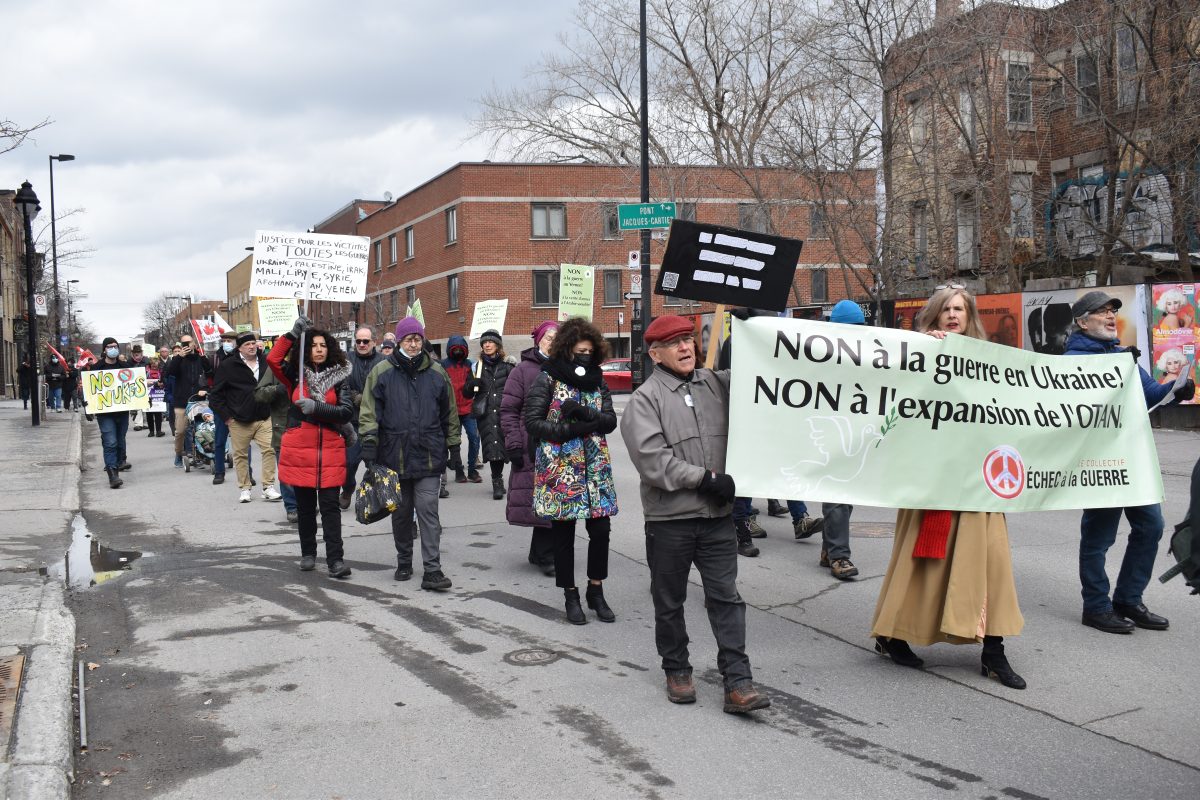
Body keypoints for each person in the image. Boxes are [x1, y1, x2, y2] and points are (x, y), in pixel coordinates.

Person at [871, 286, 1026, 690]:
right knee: (920, 561)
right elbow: (895, 391)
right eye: (946, 309)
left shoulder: (990, 359)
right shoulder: (918, 350)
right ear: (935, 315)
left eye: (960, 309)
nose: (953, 315)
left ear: (969, 314)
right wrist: (920, 346)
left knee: (991, 562)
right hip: (933, 479)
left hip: (980, 480)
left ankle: (994, 652)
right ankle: (893, 633)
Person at [620, 314, 769, 713]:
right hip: (670, 521)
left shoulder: (715, 384)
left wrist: (755, 327)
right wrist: (706, 479)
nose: (686, 347)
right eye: (675, 343)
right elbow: (653, 462)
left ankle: (738, 682)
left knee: (726, 598)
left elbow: (763, 377)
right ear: (655, 353)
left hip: (717, 518)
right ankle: (677, 669)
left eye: (688, 339)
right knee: (669, 600)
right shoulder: (643, 400)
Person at [1064, 291, 1195, 634]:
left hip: (1133, 460)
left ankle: (1128, 599)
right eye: (1101, 312)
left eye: (1112, 312)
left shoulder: (1122, 357)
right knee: (1099, 537)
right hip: (1099, 462)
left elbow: (1152, 395)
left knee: (1150, 526)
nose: (1110, 317)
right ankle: (1096, 606)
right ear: (1082, 322)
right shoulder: (1072, 361)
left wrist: (1176, 389)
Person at [524, 318, 618, 624]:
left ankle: (596, 589)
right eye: (580, 351)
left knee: (601, 531)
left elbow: (609, 421)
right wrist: (569, 428)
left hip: (595, 469)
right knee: (563, 535)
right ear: (567, 349)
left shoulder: (598, 379)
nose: (585, 357)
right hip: (561, 469)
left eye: (590, 351)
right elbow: (533, 422)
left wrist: (588, 414)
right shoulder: (548, 378)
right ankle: (570, 594)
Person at [359, 317, 460, 590]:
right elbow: (369, 410)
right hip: (394, 455)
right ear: (399, 342)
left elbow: (449, 412)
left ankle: (433, 570)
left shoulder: (437, 372)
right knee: (402, 513)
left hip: (429, 453)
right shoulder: (381, 372)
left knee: (428, 511)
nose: (414, 344)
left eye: (417, 339)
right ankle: (404, 560)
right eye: (408, 339)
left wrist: (454, 445)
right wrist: (369, 440)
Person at [267, 318, 354, 579]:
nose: (319, 349)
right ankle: (308, 553)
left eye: (323, 345)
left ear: (330, 349)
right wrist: (292, 334)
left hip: (329, 448)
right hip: (300, 449)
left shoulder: (340, 377)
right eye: (314, 345)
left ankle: (335, 561)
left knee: (329, 507)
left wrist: (318, 408)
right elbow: (273, 359)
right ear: (307, 349)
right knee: (305, 508)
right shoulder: (296, 375)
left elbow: (346, 411)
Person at [500, 320, 559, 576]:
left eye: (558, 338)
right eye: (548, 337)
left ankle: (540, 552)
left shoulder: (566, 368)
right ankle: (547, 555)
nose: (553, 342)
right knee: (544, 497)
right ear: (538, 341)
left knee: (555, 496)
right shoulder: (522, 371)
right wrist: (513, 442)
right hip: (531, 442)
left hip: (560, 442)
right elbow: (508, 410)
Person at [210, 332, 282, 504]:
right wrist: (227, 417)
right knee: (240, 455)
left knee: (269, 450)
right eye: (247, 344)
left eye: (253, 343)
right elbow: (215, 396)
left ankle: (268, 487)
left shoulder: (266, 361)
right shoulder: (228, 366)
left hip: (264, 417)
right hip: (239, 420)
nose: (251, 347)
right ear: (239, 348)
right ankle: (245, 488)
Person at [464, 329, 514, 499]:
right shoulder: (476, 367)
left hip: (505, 411)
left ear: (498, 345)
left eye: (490, 342)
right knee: (492, 446)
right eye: (484, 342)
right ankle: (497, 481)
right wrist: (472, 385)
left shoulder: (508, 366)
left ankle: (515, 482)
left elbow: (516, 390)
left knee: (506, 446)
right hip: (485, 413)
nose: (487, 344)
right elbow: (466, 393)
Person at [341, 326, 386, 509]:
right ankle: (348, 488)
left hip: (377, 422)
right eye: (358, 341)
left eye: (365, 341)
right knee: (349, 462)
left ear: (374, 342)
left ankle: (375, 496)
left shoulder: (384, 361)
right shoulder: (346, 361)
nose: (361, 344)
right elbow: (341, 386)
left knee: (375, 464)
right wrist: (358, 398)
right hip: (352, 422)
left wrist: (370, 400)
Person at [255, 348, 299, 524]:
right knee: (287, 472)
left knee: (307, 470)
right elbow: (259, 394)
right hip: (284, 428)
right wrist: (278, 389)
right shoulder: (276, 370)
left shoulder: (309, 369)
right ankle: (292, 507)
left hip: (307, 428)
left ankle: (307, 502)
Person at [85, 337, 132, 489]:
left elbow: (133, 386)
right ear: (104, 349)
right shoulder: (97, 368)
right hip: (105, 412)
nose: (113, 349)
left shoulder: (124, 366)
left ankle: (117, 463)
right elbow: (89, 388)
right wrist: (87, 407)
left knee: (119, 440)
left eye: (115, 346)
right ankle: (112, 474)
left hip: (122, 411)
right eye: (110, 346)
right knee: (110, 441)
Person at [163, 333, 213, 468]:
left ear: (193, 343)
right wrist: (179, 357)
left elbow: (209, 374)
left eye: (189, 342)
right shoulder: (177, 359)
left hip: (199, 400)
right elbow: (169, 373)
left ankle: (201, 455)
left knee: (201, 428)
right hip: (182, 401)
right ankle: (179, 454)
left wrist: (204, 388)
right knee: (180, 431)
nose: (186, 346)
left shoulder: (200, 357)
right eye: (183, 343)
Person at [441, 335, 479, 489]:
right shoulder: (443, 365)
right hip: (451, 410)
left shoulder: (470, 365)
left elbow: (475, 385)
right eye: (454, 349)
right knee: (454, 441)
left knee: (474, 438)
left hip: (468, 408)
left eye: (460, 349)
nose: (457, 351)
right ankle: (458, 470)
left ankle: (472, 469)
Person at [208, 331, 239, 484]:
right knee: (220, 441)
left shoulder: (242, 357)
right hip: (221, 406)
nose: (227, 343)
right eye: (224, 340)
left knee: (243, 443)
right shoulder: (215, 358)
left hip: (239, 405)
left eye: (230, 340)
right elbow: (209, 380)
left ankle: (248, 473)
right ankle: (219, 472)